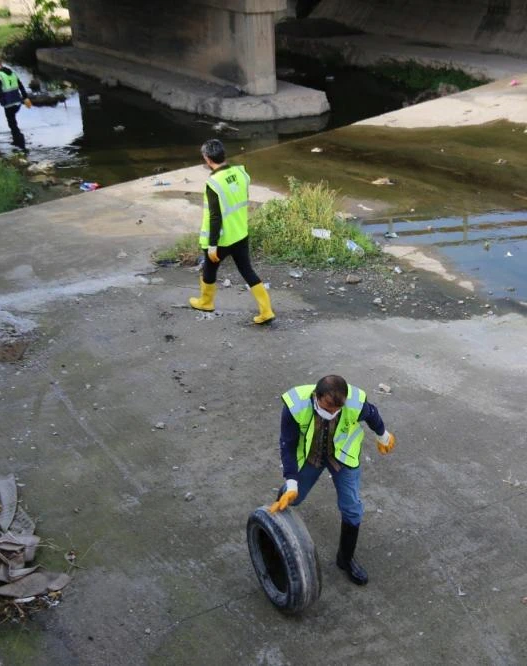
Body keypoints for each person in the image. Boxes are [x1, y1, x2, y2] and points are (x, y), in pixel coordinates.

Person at [269, 375, 397, 585]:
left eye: (337, 409)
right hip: (312, 456)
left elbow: (372, 414)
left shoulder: (353, 403)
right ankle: (276, 532)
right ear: (316, 396)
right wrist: (291, 481)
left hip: (342, 455)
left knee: (352, 508)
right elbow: (288, 445)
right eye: (327, 407)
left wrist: (383, 435)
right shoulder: (295, 405)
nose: (332, 412)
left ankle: (345, 559)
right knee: (291, 498)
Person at [188, 139, 275, 325]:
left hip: (222, 239)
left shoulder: (213, 183)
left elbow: (215, 217)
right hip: (240, 233)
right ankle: (266, 310)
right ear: (223, 155)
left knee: (209, 271)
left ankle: (206, 302)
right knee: (247, 270)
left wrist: (212, 245)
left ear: (207, 159)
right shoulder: (241, 173)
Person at [0, 59, 30, 151]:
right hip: (17, 102)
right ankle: (17, 140)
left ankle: (19, 141)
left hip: (8, 103)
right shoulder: (12, 73)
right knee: (13, 121)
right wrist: (25, 98)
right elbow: (20, 85)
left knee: (11, 123)